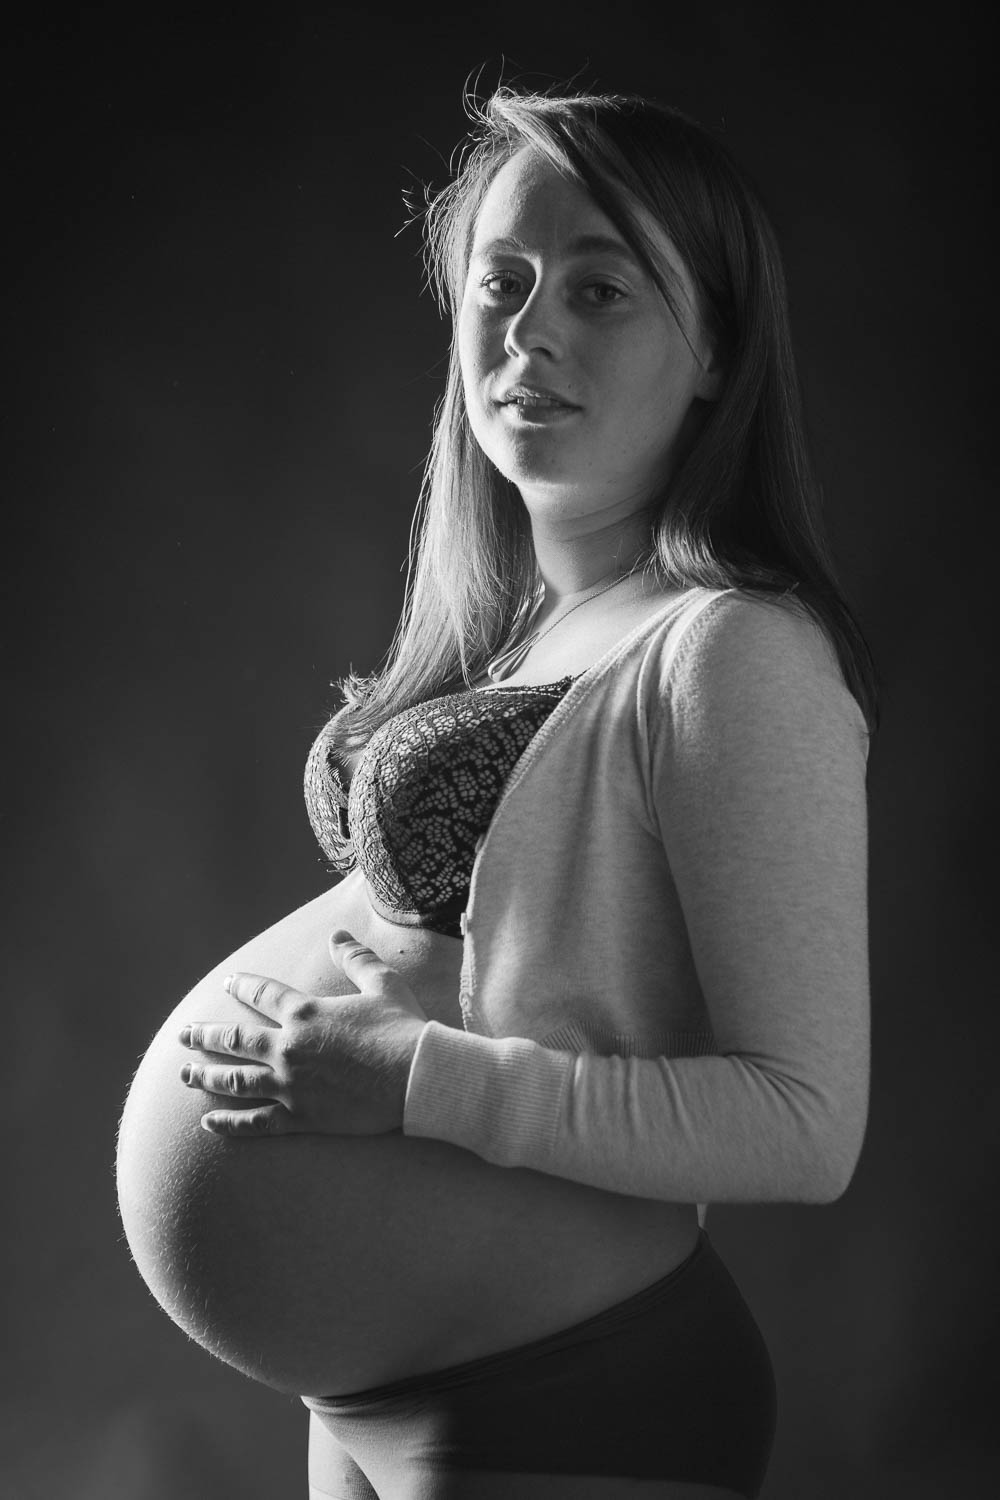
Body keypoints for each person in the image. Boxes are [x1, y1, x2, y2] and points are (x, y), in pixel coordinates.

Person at [117, 85, 875, 1500]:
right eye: (501, 285)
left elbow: (805, 1125)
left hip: (565, 1393)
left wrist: (411, 1082)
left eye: (602, 292)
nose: (530, 334)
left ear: (713, 351)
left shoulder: (735, 652)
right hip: (375, 1379)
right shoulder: (536, 629)